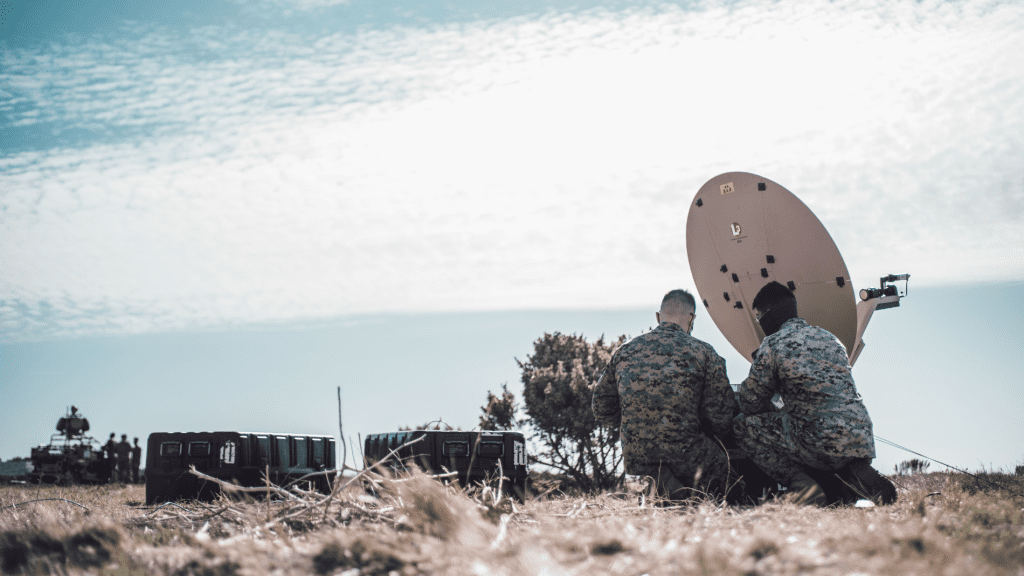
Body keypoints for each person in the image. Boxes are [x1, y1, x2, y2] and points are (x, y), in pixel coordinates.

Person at [733, 281, 897, 505]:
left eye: (759, 317)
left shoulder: (773, 343)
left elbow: (750, 402)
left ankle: (803, 487)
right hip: (860, 436)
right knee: (834, 486)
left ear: (769, 316)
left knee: (742, 426)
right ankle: (847, 480)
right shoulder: (831, 339)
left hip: (818, 438)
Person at [593, 289, 739, 502]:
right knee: (735, 487)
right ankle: (680, 492)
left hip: (637, 457)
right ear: (692, 319)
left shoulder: (624, 351)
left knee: (675, 492)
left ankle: (665, 486)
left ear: (658, 317)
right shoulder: (705, 352)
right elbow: (720, 416)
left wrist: (637, 426)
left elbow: (601, 408)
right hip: (687, 454)